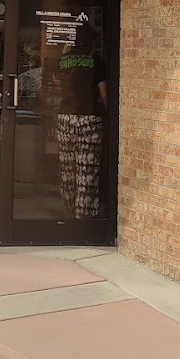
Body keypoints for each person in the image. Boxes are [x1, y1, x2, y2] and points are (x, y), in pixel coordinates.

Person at [55, 30, 107, 219]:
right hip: (90, 117)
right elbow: (104, 93)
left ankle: (68, 210)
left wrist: (66, 52)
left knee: (67, 166)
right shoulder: (96, 61)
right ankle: (83, 216)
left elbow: (56, 81)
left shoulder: (63, 61)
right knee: (87, 168)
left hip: (66, 116)